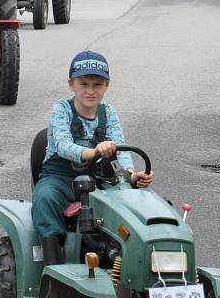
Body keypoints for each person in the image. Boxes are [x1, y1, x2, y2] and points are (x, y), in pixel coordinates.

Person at [31, 50, 154, 265]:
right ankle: (54, 269)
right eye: (83, 84)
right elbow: (62, 146)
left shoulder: (109, 113)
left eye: (97, 84)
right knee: (45, 199)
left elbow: (120, 151)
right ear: (71, 84)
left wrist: (133, 175)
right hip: (60, 179)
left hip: (98, 182)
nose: (90, 91)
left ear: (106, 85)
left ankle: (138, 264)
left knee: (134, 202)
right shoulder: (61, 110)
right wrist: (96, 151)